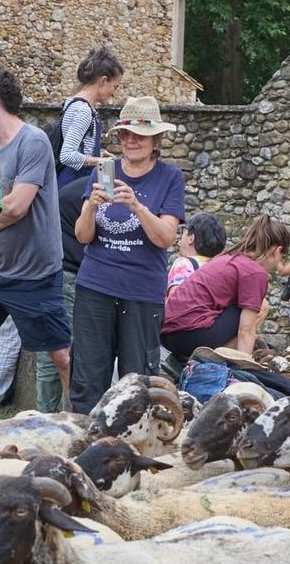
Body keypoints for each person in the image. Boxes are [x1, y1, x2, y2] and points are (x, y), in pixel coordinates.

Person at [69, 95, 185, 413]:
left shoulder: (170, 177)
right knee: (88, 378)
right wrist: (91, 206)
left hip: (141, 291)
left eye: (141, 134)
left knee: (139, 380)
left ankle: (134, 449)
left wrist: (136, 205)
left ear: (156, 139)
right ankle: (86, 445)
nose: (132, 141)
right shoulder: (102, 172)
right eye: (125, 134)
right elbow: (82, 236)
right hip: (96, 285)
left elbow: (165, 238)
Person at [0, 64, 70, 410]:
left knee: (61, 355)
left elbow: (16, 207)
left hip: (35, 273)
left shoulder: (34, 141)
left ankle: (83, 421)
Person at [161, 215, 290, 365]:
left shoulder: (227, 258)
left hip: (167, 335)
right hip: (191, 335)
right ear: (277, 251)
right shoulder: (255, 271)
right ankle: (226, 363)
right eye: (281, 257)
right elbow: (246, 330)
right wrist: (245, 367)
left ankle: (196, 361)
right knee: (261, 306)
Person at [37, 175, 92, 411]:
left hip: (47, 274)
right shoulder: (90, 194)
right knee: (69, 355)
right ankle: (66, 419)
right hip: (68, 275)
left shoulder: (72, 190)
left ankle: (42, 418)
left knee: (50, 352)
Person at [58, 46, 123, 192]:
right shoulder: (83, 111)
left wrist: (97, 155)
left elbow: (79, 147)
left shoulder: (72, 103)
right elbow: (67, 155)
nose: (114, 94)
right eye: (115, 86)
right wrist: (101, 162)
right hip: (71, 187)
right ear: (103, 81)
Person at [167, 211, 226, 296]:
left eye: (183, 231)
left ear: (191, 238)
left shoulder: (184, 265)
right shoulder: (222, 268)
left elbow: (175, 300)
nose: (180, 237)